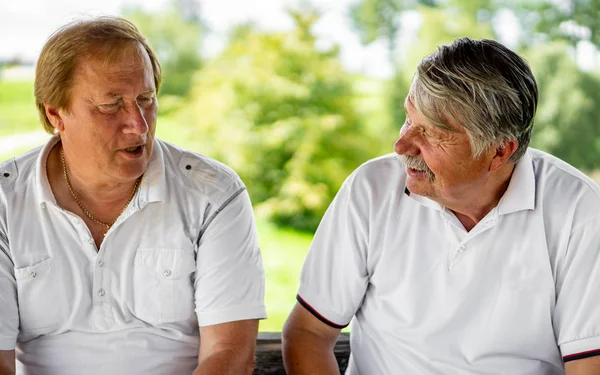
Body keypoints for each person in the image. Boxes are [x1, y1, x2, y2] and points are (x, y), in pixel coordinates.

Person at [282, 37, 600, 374]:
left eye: (433, 134)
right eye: (408, 119)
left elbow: (589, 365)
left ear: (499, 151)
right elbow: (308, 333)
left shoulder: (580, 211)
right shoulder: (371, 190)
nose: (401, 144)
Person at [0, 17, 266, 375]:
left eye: (146, 99)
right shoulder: (6, 201)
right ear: (55, 113)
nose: (138, 124)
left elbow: (230, 356)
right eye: (111, 106)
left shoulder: (212, 194)